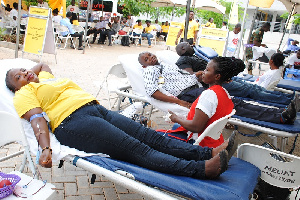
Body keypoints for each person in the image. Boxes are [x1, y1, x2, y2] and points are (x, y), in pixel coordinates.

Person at [5, 64, 239, 180]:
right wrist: (45, 148)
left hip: (96, 110)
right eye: (19, 77)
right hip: (73, 123)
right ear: (16, 87)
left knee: (151, 136)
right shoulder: (24, 94)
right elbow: (37, 120)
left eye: (25, 70)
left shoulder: (43, 78)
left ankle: (205, 154)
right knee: (139, 149)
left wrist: (26, 72)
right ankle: (202, 170)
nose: (25, 74)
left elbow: (43, 64)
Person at [158, 57, 299, 146]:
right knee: (242, 102)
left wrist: (176, 117)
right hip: (212, 140)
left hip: (198, 142)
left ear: (217, 76)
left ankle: (281, 115)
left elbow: (196, 127)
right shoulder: (222, 92)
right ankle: (281, 114)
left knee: (246, 99)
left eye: (207, 70)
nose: (203, 72)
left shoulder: (209, 95)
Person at [138, 52, 205, 107]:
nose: (151, 57)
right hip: (187, 94)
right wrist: (179, 102)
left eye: (150, 55)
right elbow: (152, 92)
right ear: (144, 66)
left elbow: (180, 78)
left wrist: (195, 75)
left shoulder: (163, 65)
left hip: (194, 87)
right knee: (210, 96)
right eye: (146, 59)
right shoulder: (150, 69)